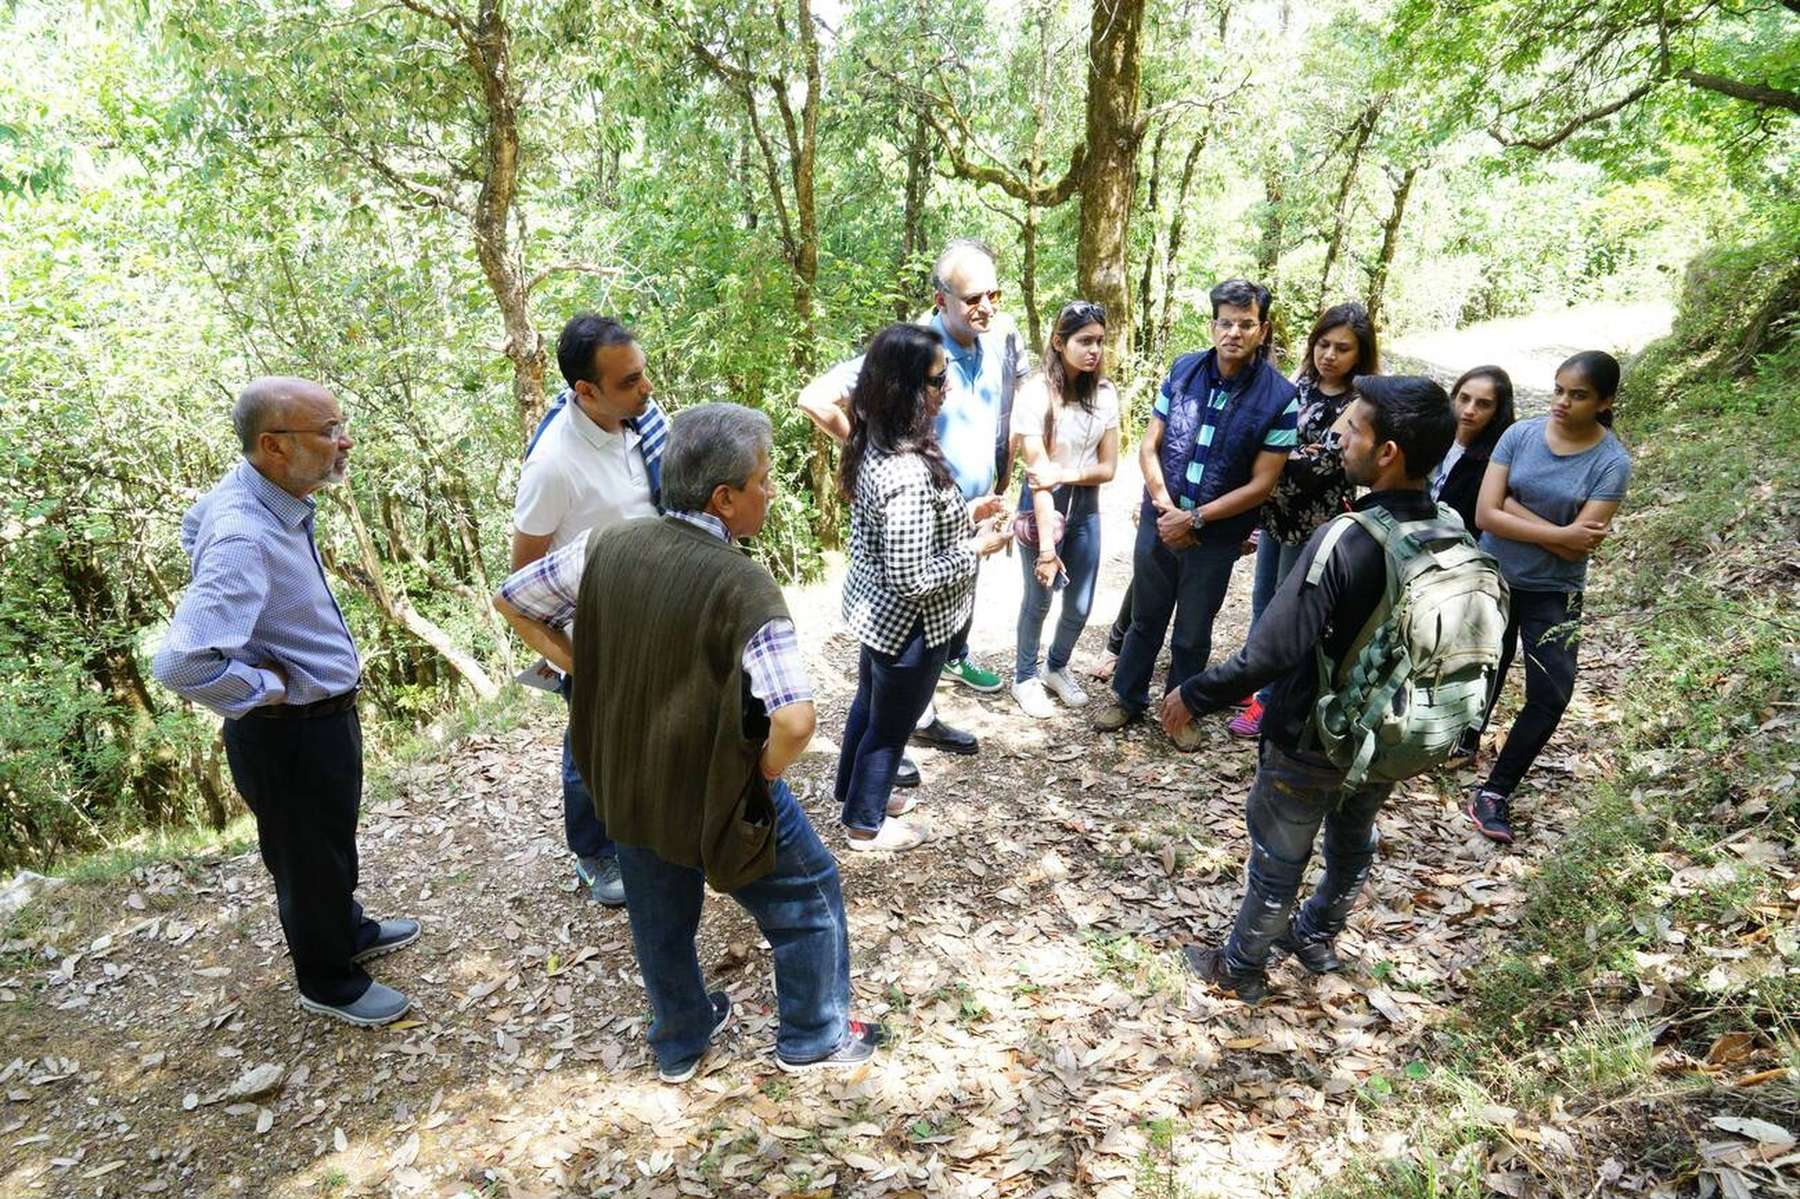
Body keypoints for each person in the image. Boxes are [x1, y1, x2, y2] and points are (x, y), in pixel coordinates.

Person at [557, 402, 880, 1079]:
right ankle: (814, 1034)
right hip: (710, 791)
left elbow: (513, 596)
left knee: (658, 916)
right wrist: (759, 775)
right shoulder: (743, 586)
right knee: (808, 892)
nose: (772, 489)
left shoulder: (610, 544)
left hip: (627, 782)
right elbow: (795, 721)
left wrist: (585, 668)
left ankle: (680, 1037)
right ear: (724, 497)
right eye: (763, 478)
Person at [1163, 376, 1458, 1002]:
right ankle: (1318, 934)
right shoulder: (1449, 530)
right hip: (1391, 730)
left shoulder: (1346, 538)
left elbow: (1269, 653)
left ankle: (1241, 967)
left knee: (1279, 855)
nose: (1336, 437)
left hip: (1314, 735)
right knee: (1355, 836)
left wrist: (1194, 693)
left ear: (1388, 454)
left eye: (1352, 429)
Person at [152, 377, 418, 1027]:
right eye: (327, 431)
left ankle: (347, 929)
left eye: (339, 425)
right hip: (287, 729)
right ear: (272, 445)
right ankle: (328, 981)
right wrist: (268, 688)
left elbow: (193, 528)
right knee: (306, 859)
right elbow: (181, 661)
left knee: (328, 846)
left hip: (319, 722)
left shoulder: (256, 494)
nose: (342, 440)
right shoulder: (244, 532)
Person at [798, 239, 1027, 777]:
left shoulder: (995, 344)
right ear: (940, 296)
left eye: (994, 293)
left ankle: (915, 719)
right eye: (973, 297)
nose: (986, 306)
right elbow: (814, 397)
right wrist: (877, 448)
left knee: (939, 638)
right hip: (919, 519)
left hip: (966, 513)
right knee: (904, 639)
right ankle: (885, 747)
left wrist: (1000, 484)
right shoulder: (915, 351)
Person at [1091, 278, 1299, 750]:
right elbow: (1149, 445)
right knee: (1146, 616)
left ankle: (1181, 710)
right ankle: (1127, 697)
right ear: (1212, 326)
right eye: (1226, 322)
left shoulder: (1280, 398)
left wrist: (1196, 519)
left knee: (1193, 628)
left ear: (1262, 331)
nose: (1234, 333)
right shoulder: (1183, 371)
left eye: (1246, 324)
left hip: (1217, 534)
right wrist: (1167, 510)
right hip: (1160, 518)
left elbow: (1262, 484)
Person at [836, 324, 1012, 851]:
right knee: (892, 725)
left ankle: (854, 792)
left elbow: (910, 537)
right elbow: (913, 577)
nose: (948, 387)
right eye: (938, 379)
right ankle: (865, 823)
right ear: (906, 389)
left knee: (870, 708)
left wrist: (966, 514)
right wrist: (974, 549)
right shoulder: (907, 472)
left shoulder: (876, 438)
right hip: (910, 626)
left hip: (880, 618)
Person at [509, 313, 665, 908]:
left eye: (643, 374)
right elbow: (523, 578)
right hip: (600, 633)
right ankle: (593, 852)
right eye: (629, 381)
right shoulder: (554, 463)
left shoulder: (642, 422)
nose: (646, 388)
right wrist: (572, 659)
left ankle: (651, 822)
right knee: (592, 744)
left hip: (657, 615)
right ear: (586, 392)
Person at [1468, 352, 1631, 844]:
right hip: (1493, 575)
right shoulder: (1518, 436)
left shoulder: (1611, 462)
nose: (1562, 401)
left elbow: (1585, 541)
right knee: (1482, 668)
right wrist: (1558, 531)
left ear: (1604, 401)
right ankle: (1462, 738)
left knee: (1552, 693)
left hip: (1555, 591)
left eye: (1578, 395)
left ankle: (1495, 791)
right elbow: (1484, 515)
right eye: (1559, 389)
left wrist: (1514, 509)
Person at [1230, 302, 1378, 740]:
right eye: (1323, 344)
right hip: (1277, 513)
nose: (1329, 355)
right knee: (1263, 600)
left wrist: (1271, 459)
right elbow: (1264, 438)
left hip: (1316, 523)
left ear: (1361, 354)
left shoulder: (1360, 402)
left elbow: (1322, 462)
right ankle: (1254, 677)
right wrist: (1274, 458)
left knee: (1290, 611)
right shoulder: (1300, 384)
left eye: (1343, 348)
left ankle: (1274, 699)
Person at [1010, 300, 1120, 718]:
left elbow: (1108, 468)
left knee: (1080, 603)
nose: (1094, 350)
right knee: (1038, 600)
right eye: (1084, 341)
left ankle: (1057, 666)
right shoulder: (1035, 394)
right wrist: (1046, 550)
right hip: (1042, 509)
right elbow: (1038, 481)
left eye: (1099, 342)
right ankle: (1025, 676)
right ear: (1059, 343)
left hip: (1085, 508)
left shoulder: (1105, 394)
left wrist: (1064, 473)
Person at [1432, 365, 1517, 534]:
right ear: (1454, 398)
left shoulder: (1495, 462)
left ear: (1497, 412)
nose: (1470, 410)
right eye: (1464, 398)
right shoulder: (1432, 436)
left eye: (1483, 404)